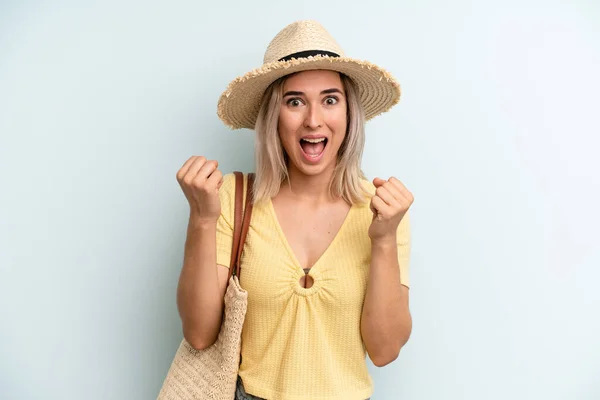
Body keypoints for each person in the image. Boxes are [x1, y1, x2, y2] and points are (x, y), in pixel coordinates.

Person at [175, 20, 414, 400]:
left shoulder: (381, 210)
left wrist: (383, 240)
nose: (313, 119)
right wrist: (202, 219)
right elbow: (200, 333)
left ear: (349, 114)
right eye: (295, 101)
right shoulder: (233, 198)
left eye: (330, 99)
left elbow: (384, 351)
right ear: (274, 117)